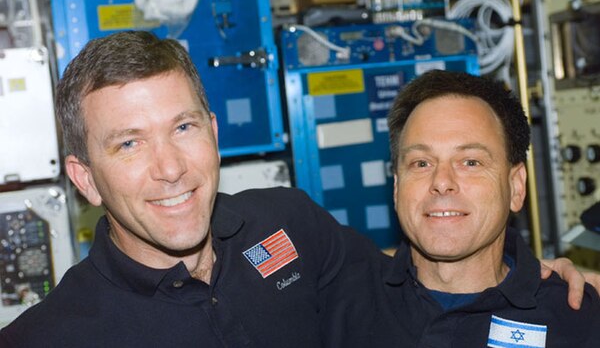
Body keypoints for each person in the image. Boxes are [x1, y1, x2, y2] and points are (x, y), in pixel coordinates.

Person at [0, 33, 595, 347]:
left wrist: (535, 277)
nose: (170, 168)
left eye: (182, 128)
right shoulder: (50, 337)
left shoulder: (286, 226)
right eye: (128, 144)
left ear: (212, 133)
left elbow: (417, 268)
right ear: (84, 180)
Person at [324, 69, 600, 347]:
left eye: (470, 162)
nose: (442, 182)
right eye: (421, 163)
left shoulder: (578, 319)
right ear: (396, 189)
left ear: (516, 187)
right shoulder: (333, 304)